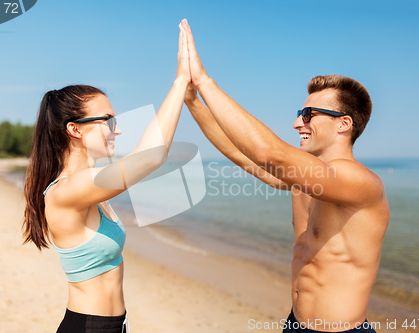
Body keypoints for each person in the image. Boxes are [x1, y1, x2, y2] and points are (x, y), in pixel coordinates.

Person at [180, 19, 389, 333]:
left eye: (308, 115)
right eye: (298, 114)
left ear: (343, 124)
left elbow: (269, 153)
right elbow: (243, 154)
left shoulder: (359, 184)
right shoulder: (302, 178)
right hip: (295, 324)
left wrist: (205, 81)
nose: (297, 124)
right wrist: (192, 102)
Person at [22, 23, 191, 333]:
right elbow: (151, 157)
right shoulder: (67, 191)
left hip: (114, 325)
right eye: (109, 121)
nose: (119, 129)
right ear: (75, 129)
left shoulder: (89, 186)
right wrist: (180, 81)